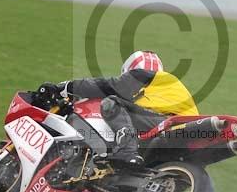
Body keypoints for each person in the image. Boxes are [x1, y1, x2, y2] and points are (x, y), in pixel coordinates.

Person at [40, 51, 199, 166]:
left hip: (168, 123)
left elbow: (107, 87)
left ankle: (126, 150)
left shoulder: (143, 75)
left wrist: (66, 87)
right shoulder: (163, 88)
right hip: (184, 133)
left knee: (112, 103)